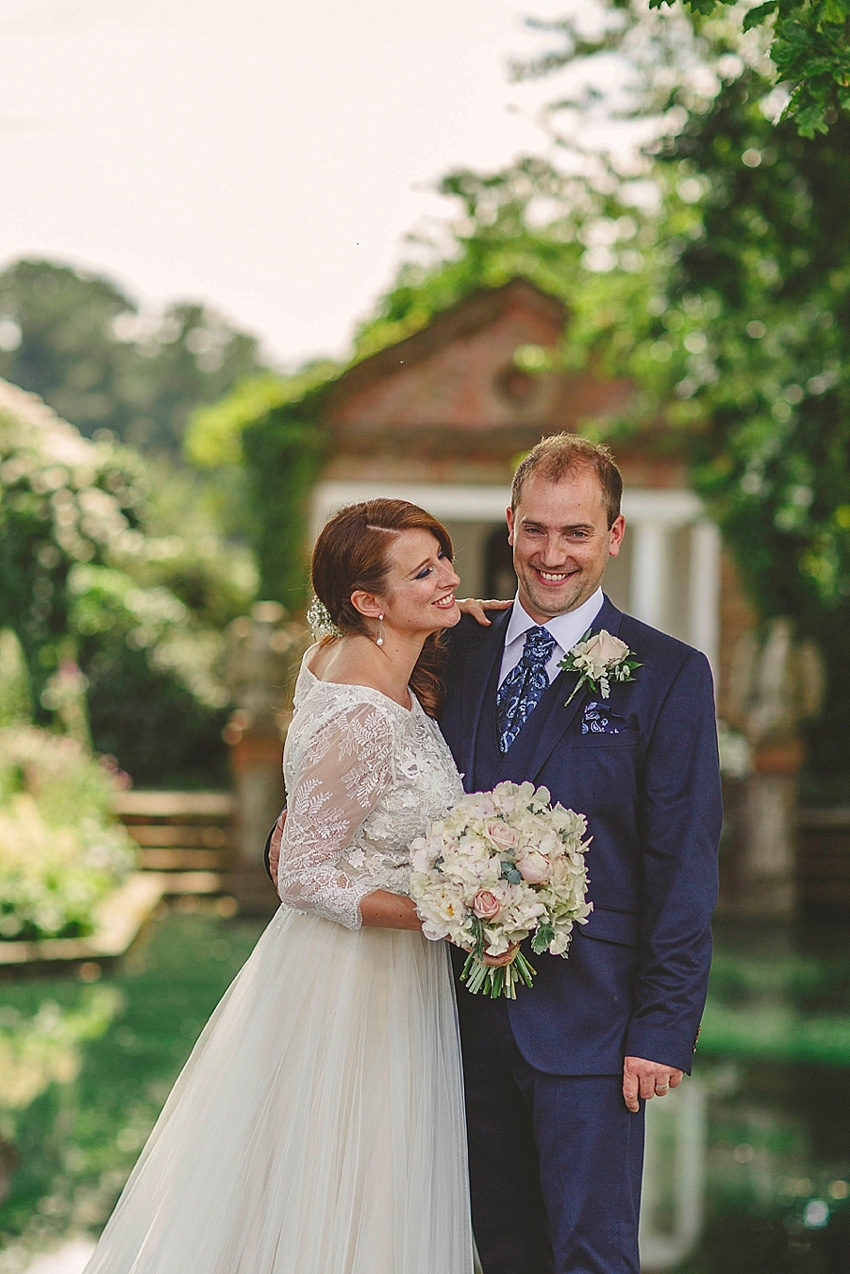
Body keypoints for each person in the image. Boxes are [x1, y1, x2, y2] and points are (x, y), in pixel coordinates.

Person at [82, 498, 502, 1274]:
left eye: (442, 557)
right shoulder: (364, 713)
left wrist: (457, 609)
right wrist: (447, 916)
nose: (449, 577)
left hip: (384, 970)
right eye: (423, 570)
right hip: (353, 983)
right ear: (367, 602)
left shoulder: (340, 653)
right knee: (338, 1185)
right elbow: (302, 876)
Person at [438, 433, 722, 1274]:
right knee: (496, 1252)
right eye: (535, 531)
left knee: (591, 1256)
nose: (551, 555)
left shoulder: (668, 674)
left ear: (615, 535)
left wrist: (663, 1028)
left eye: (576, 533)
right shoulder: (453, 649)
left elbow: (684, 862)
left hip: (594, 1031)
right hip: (452, 1020)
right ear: (510, 526)